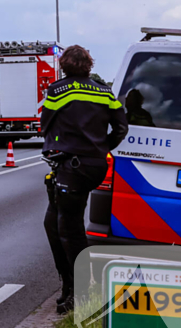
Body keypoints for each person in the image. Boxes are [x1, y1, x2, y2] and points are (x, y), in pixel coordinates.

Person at [41, 45, 128, 314]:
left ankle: (79, 294)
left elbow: (45, 125)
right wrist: (101, 148)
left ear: (64, 65)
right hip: (95, 166)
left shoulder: (58, 90)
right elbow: (121, 127)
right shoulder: (105, 91)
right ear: (89, 65)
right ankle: (69, 287)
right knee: (53, 223)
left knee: (69, 230)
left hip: (72, 167)